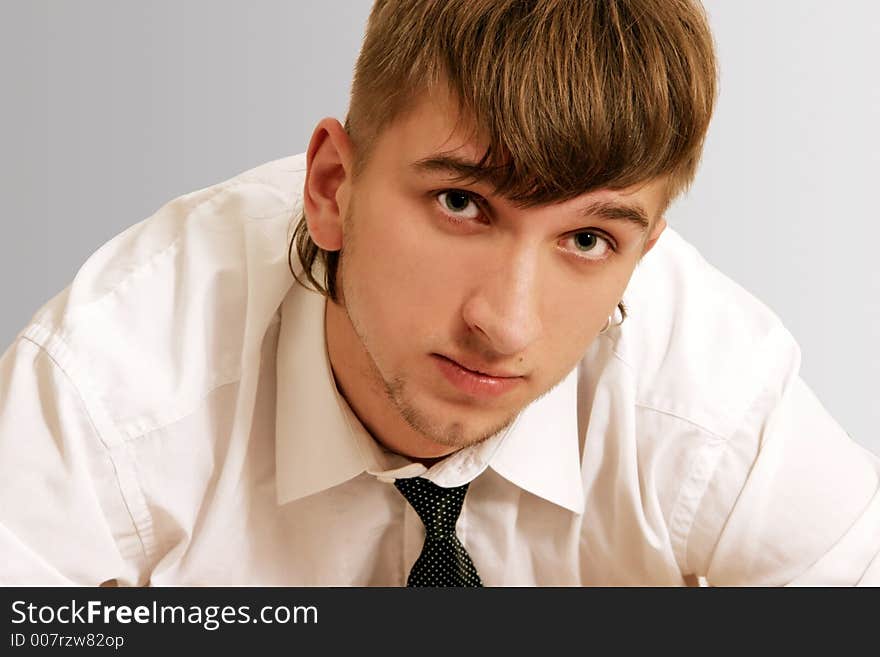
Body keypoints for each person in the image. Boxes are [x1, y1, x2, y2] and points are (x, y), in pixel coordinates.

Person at [1, 0, 878, 587]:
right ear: (332, 186)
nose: (505, 323)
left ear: (644, 255)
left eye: (586, 239)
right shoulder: (109, 393)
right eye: (462, 204)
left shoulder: (708, 401)